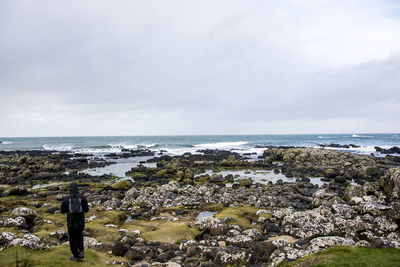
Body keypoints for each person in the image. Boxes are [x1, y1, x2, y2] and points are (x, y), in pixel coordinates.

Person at [60, 182, 89, 261]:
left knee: (72, 239)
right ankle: (81, 252)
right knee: (80, 236)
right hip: (80, 222)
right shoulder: (82, 198)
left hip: (71, 222)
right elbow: (86, 210)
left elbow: (62, 211)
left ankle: (75, 255)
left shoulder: (66, 200)